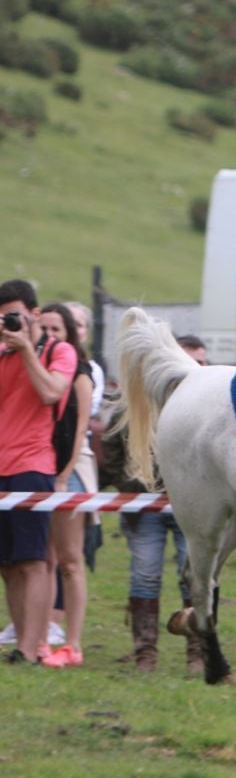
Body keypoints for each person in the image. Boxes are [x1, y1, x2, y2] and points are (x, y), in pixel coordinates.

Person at [111, 334, 208, 672]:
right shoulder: (139, 402)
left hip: (195, 508)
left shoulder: (211, 409)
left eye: (202, 363)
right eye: (189, 362)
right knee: (145, 575)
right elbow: (112, 441)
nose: (196, 369)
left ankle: (199, 652)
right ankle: (145, 655)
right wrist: (129, 484)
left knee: (197, 577)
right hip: (145, 507)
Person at [0, 278, 75, 666]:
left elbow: (50, 393)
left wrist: (26, 348)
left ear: (33, 313)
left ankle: (33, 647)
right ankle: (21, 644)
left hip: (34, 465)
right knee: (8, 564)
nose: (8, 324)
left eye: (13, 317)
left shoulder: (59, 351)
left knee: (32, 560)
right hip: (1, 468)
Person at [39, 304, 90, 668]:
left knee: (70, 561)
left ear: (70, 332)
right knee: (42, 560)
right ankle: (40, 636)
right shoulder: (37, 367)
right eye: (45, 328)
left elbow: (80, 427)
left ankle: (72, 643)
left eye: (57, 328)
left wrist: (63, 474)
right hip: (39, 469)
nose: (50, 335)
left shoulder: (80, 372)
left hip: (69, 471)